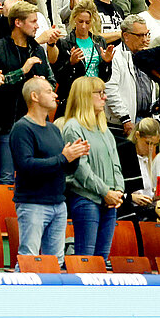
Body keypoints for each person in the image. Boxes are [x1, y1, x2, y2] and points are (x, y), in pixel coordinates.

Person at [9, 76, 86, 258]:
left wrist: (74, 156)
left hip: (58, 203)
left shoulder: (53, 129)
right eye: (49, 91)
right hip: (33, 203)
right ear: (34, 96)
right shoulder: (22, 128)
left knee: (55, 262)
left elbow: (64, 168)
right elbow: (26, 165)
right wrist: (63, 157)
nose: (55, 95)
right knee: (29, 257)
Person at [61, 75, 124, 259]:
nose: (105, 97)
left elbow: (116, 164)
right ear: (85, 96)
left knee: (102, 260)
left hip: (109, 201)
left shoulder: (103, 128)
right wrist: (106, 191)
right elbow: (81, 170)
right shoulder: (73, 127)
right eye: (100, 93)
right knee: (86, 260)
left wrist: (118, 191)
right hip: (87, 199)